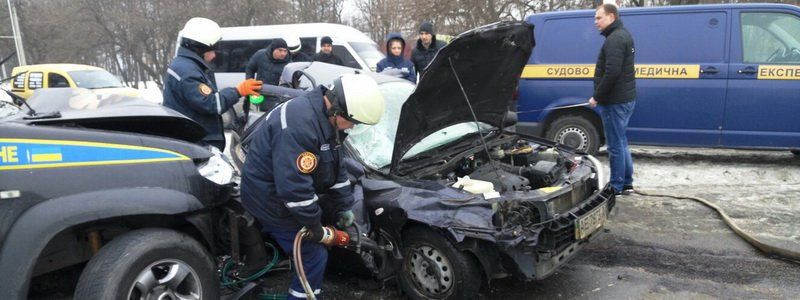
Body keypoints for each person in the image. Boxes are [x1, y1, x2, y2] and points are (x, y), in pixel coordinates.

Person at [241, 73, 385, 300]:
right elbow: (294, 188)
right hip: (269, 199)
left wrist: (344, 207)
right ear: (338, 110)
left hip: (284, 191)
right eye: (353, 121)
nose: (353, 126)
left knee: (320, 238)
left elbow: (336, 168)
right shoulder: (300, 126)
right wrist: (313, 227)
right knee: (314, 255)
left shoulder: (326, 120)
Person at [163, 17, 262, 151]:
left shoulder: (184, 65)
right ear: (200, 48)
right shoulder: (188, 71)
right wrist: (239, 91)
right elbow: (211, 104)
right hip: (197, 142)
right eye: (212, 50)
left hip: (193, 137)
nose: (214, 55)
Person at [587, 3, 636, 195]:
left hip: (615, 101)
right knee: (621, 142)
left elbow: (612, 72)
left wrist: (597, 96)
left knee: (615, 145)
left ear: (611, 17)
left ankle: (615, 187)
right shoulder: (622, 35)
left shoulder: (615, 39)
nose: (595, 22)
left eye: (599, 18)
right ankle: (627, 183)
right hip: (624, 98)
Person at [246, 38, 291, 110]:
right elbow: (250, 69)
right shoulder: (260, 55)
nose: (283, 53)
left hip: (276, 98)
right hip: (259, 94)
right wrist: (251, 85)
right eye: (280, 50)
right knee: (256, 117)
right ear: (273, 49)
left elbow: (289, 83)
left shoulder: (289, 64)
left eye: (285, 51)